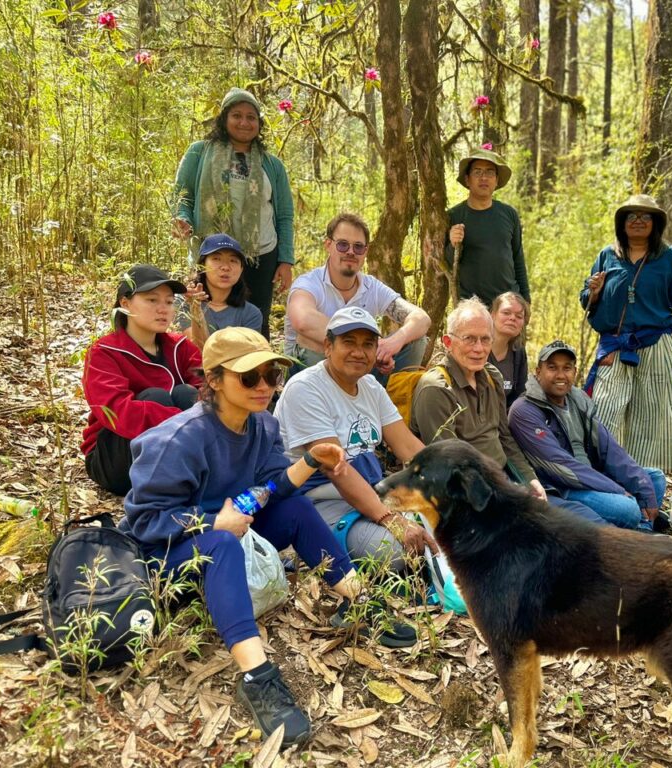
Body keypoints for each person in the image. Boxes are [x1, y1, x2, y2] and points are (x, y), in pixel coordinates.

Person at [122, 327, 415, 748]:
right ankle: (257, 677)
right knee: (221, 544)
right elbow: (146, 519)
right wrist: (209, 525)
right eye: (249, 377)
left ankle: (359, 602)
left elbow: (272, 488)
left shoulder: (260, 425)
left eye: (271, 376)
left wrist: (312, 460)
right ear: (214, 380)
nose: (264, 387)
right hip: (169, 554)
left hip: (232, 529)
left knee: (297, 509)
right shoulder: (178, 440)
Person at [411, 299, 605, 525]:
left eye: (485, 339)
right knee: (565, 529)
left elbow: (504, 437)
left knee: (590, 519)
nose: (479, 348)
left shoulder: (492, 377)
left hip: (505, 478)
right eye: (469, 339)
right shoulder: (436, 389)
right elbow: (451, 466)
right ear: (448, 342)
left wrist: (530, 479)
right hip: (472, 497)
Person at [275, 307, 437, 574]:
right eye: (348, 342)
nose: (359, 352)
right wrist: (391, 520)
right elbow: (337, 470)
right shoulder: (305, 389)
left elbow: (408, 447)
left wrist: (452, 486)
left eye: (368, 344)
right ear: (328, 346)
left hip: (370, 491)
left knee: (450, 528)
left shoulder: (371, 387)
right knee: (395, 556)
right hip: (318, 502)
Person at [580, 194, 672, 476]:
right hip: (616, 345)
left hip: (657, 344)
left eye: (646, 217)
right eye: (632, 216)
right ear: (622, 223)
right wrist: (593, 291)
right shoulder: (608, 255)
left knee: (652, 418)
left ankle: (647, 485)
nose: (639, 221)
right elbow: (586, 297)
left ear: (655, 224)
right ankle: (605, 478)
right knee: (605, 411)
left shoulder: (668, 258)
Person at [509, 340, 670, 533]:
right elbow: (561, 467)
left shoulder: (578, 400)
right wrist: (616, 490)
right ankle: (639, 533)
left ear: (574, 372)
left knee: (654, 480)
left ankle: (641, 533)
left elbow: (609, 449)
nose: (560, 375)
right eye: (552, 368)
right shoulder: (524, 410)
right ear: (538, 372)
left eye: (567, 368)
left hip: (593, 476)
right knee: (627, 508)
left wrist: (642, 486)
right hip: (562, 487)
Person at [172, 87, 293, 339]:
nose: (244, 122)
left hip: (259, 254)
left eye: (251, 117)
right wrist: (182, 218)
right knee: (204, 310)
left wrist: (285, 260)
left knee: (256, 316)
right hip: (211, 253)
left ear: (259, 123)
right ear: (224, 118)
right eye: (237, 115)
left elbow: (283, 216)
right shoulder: (199, 152)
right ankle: (202, 370)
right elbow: (183, 195)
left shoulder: (272, 165)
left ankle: (257, 372)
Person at [82, 265, 202, 496]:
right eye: (151, 300)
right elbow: (117, 412)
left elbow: (209, 390)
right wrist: (185, 420)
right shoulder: (104, 352)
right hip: (115, 459)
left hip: (175, 450)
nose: (163, 309)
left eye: (168, 302)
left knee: (188, 393)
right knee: (155, 396)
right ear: (125, 303)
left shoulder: (180, 347)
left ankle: (186, 479)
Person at [284, 212, 430, 379]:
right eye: (343, 245)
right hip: (311, 377)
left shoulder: (372, 286)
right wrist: (366, 348)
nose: (351, 252)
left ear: (365, 251)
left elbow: (422, 318)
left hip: (360, 371)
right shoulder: (308, 283)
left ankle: (390, 398)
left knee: (416, 339)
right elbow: (303, 321)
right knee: (312, 340)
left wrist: (393, 342)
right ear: (328, 245)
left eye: (358, 247)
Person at [445, 148, 530, 308]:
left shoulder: (509, 214)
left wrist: (526, 299)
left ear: (497, 180)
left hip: (508, 305)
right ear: (467, 179)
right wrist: (452, 243)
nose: (484, 177)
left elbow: (518, 258)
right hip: (471, 308)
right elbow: (447, 266)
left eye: (490, 172)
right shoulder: (454, 216)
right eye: (477, 172)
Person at [177, 233, 263, 348]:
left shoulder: (251, 313)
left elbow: (247, 358)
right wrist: (196, 309)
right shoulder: (182, 303)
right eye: (216, 259)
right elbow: (196, 349)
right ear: (202, 265)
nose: (225, 267)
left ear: (241, 269)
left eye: (233, 260)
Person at [489, 292, 530, 408]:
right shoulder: (478, 348)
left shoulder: (519, 352)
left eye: (519, 316)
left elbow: (519, 397)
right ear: (493, 315)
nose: (512, 318)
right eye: (506, 313)